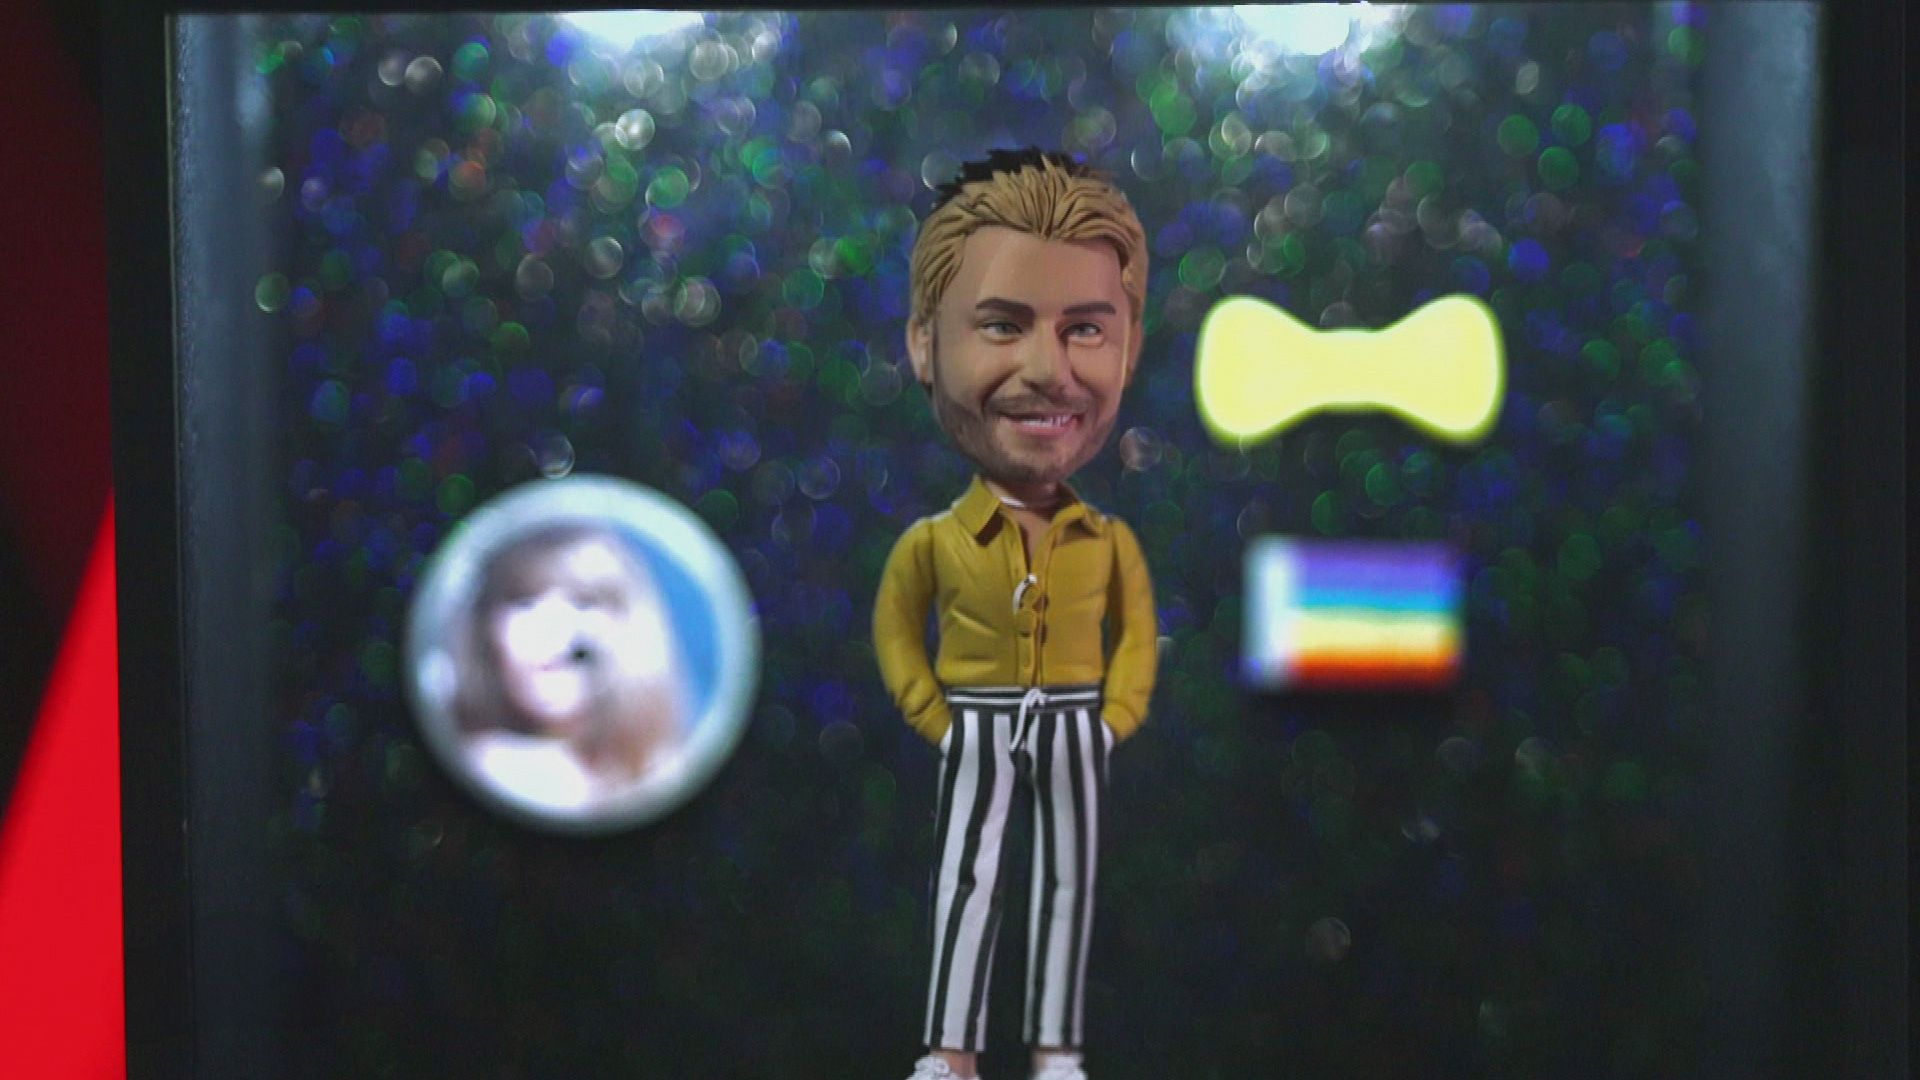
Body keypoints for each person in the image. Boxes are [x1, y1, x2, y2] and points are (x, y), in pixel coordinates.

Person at [873, 149, 1159, 1080]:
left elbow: (1136, 635)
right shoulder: (934, 542)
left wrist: (1113, 718)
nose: (1047, 370)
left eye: (1086, 330)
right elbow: (897, 630)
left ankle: (1056, 1050)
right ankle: (951, 1050)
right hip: (980, 721)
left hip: (1075, 719)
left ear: (1129, 345)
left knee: (1069, 880)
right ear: (925, 343)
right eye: (1001, 325)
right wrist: (936, 716)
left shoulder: (1105, 540)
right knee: (969, 878)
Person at [454, 520, 689, 813]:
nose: (553, 631)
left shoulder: (676, 776)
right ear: (485, 629)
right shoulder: (469, 771)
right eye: (525, 603)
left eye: (584, 602)